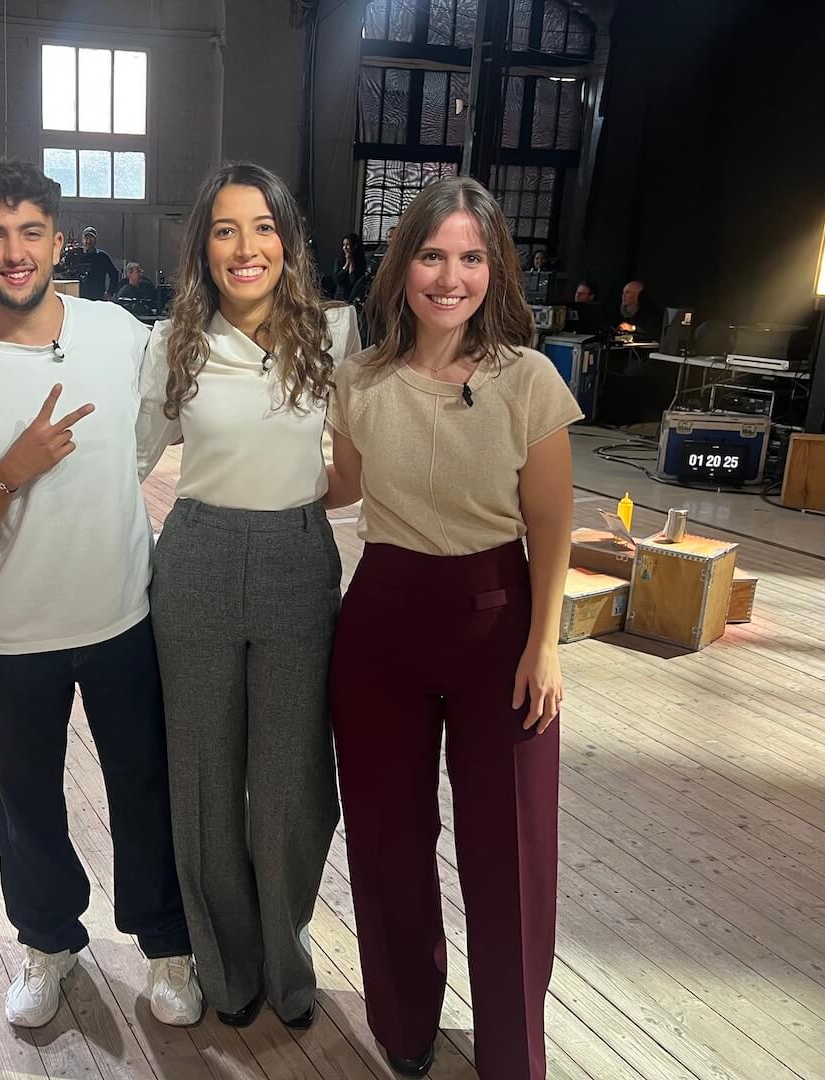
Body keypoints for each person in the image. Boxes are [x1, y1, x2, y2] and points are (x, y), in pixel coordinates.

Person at [0, 159, 201, 1030]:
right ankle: (47, 943)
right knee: (26, 798)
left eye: (30, 232)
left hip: (123, 612)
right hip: (17, 629)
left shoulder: (118, 333)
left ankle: (166, 944)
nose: (15, 250)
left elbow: (154, 433)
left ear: (58, 241)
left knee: (144, 785)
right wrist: (8, 476)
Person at [326, 176, 579, 1080]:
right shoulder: (358, 379)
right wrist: (245, 479)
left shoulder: (528, 380)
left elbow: (551, 522)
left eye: (471, 257)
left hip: (497, 623)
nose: (450, 276)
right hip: (382, 619)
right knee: (388, 838)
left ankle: (513, 1050)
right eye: (433, 255)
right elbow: (343, 488)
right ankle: (402, 1023)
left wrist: (545, 643)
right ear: (403, 267)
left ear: (493, 269)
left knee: (512, 846)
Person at [137, 162, 361, 1030]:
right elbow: (129, 460)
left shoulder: (334, 335)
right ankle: (226, 967)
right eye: (225, 230)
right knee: (201, 776)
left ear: (287, 241)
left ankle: (284, 949)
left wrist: (300, 505)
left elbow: (355, 468)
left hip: (298, 561)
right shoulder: (175, 342)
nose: (245, 247)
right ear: (203, 247)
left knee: (292, 781)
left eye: (261, 228)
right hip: (195, 558)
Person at [78, 225, 121, 300]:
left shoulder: (102, 257)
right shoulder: (77, 256)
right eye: (86, 238)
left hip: (97, 297)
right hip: (78, 297)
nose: (88, 241)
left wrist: (110, 292)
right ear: (82, 240)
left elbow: (114, 274)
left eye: (91, 238)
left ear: (96, 240)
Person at [330, 232, 369, 301]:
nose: (344, 248)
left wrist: (352, 263)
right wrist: (346, 264)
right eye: (343, 245)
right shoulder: (339, 260)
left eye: (347, 245)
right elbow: (336, 279)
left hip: (353, 296)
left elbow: (353, 281)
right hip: (339, 295)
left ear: (355, 246)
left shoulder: (361, 262)